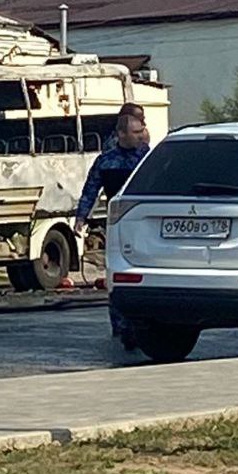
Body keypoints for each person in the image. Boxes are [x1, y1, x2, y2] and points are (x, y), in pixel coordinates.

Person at [75, 111, 150, 350]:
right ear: (121, 134)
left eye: (141, 131)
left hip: (146, 225)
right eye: (136, 132)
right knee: (118, 274)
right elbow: (91, 189)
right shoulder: (107, 161)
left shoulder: (148, 159)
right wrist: (81, 217)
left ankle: (146, 323)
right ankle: (120, 325)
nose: (141, 137)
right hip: (119, 225)